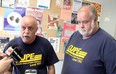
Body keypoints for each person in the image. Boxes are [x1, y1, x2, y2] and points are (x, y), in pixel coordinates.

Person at [61, 5, 116, 74]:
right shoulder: (75, 35)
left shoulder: (109, 43)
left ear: (95, 20)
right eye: (79, 22)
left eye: (85, 22)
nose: (81, 26)